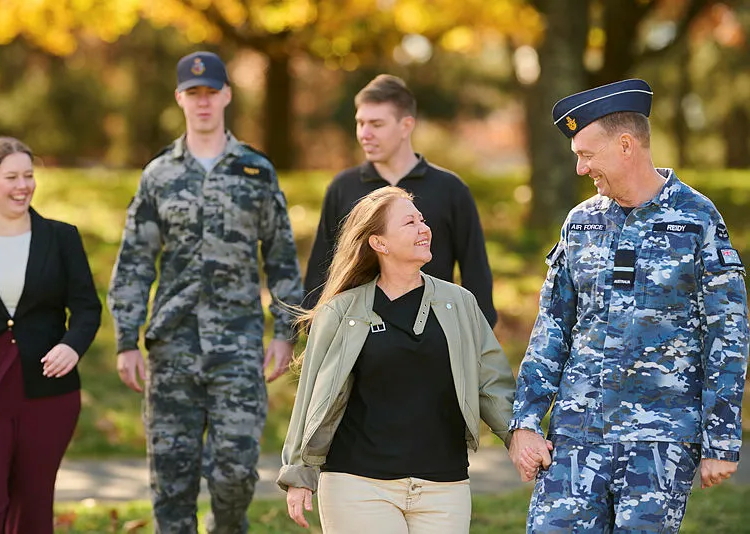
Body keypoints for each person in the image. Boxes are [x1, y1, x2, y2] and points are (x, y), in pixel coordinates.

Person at [509, 79, 749, 533]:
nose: (580, 169)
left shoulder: (696, 219)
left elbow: (728, 333)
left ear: (625, 145)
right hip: (575, 433)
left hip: (660, 437)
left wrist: (721, 437)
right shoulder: (580, 222)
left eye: (586, 154)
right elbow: (552, 327)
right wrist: (525, 421)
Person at [107, 50, 303, 534]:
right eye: (193, 94)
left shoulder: (255, 172)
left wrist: (284, 334)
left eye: (211, 92)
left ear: (227, 96)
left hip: (237, 349)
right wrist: (126, 339)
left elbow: (279, 258)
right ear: (179, 98)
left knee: (235, 474)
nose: (203, 102)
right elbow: (134, 261)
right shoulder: (159, 176)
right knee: (171, 482)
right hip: (171, 348)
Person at [278, 186, 516, 533]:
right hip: (358, 485)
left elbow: (493, 383)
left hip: (443, 486)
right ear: (379, 243)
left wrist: (519, 438)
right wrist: (299, 471)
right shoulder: (340, 312)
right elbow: (312, 397)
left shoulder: (460, 304)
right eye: (409, 222)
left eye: (422, 220)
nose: (424, 228)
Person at [0, 137, 101, 533]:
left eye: (29, 176)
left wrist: (72, 345)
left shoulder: (61, 237)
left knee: (32, 511)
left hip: (48, 391)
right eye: (12, 176)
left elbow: (87, 308)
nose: (23, 185)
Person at [302, 74, 497, 327]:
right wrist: (314, 329)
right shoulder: (343, 187)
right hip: (358, 337)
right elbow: (322, 267)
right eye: (360, 123)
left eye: (376, 124)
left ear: (406, 125)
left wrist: (478, 337)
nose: (365, 134)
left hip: (433, 336)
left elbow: (476, 272)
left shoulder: (450, 189)